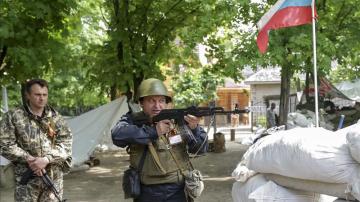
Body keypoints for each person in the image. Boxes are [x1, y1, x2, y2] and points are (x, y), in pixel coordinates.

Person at [111, 78, 207, 202]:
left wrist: (194, 128)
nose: (157, 105)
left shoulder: (178, 120)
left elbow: (200, 149)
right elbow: (117, 135)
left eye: (161, 101)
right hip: (146, 192)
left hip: (178, 190)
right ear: (141, 103)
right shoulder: (133, 119)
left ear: (166, 102)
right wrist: (154, 131)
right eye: (152, 101)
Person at [0, 79, 72, 201]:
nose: (42, 98)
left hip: (52, 178)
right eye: (37, 94)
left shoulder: (56, 118)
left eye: (44, 95)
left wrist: (46, 159)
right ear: (27, 95)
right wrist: (30, 160)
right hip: (26, 179)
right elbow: (4, 144)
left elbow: (66, 144)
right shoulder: (13, 116)